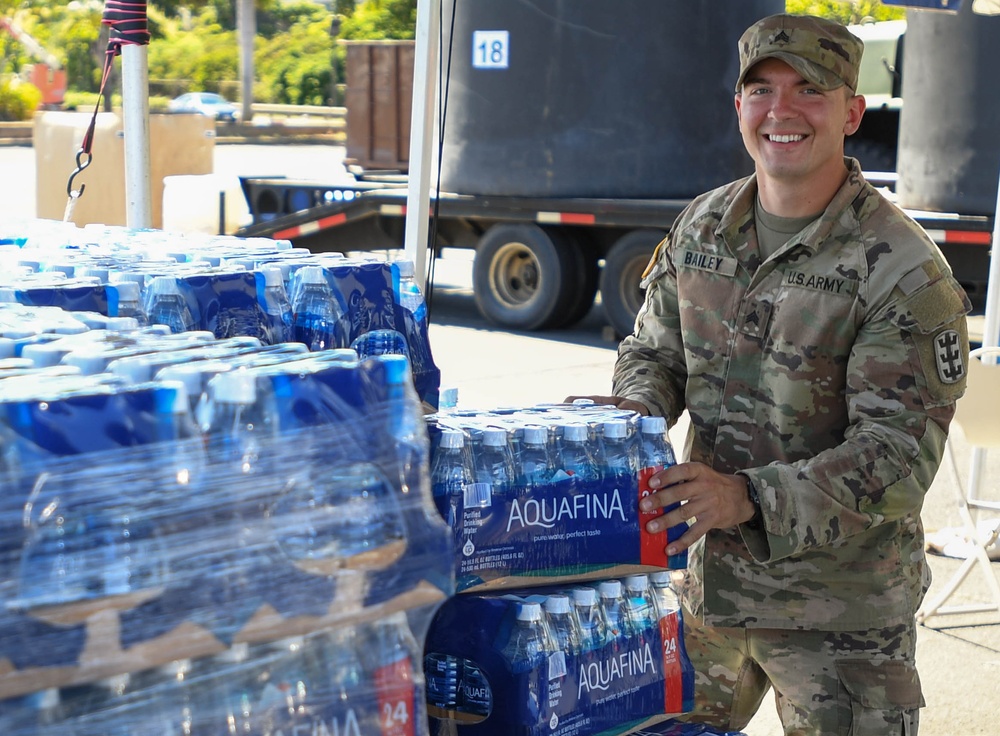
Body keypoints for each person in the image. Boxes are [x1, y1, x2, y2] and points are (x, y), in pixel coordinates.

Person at [571, 13, 971, 736]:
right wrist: (631, 415)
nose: (781, 112)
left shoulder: (903, 271)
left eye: (809, 90)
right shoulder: (703, 226)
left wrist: (747, 498)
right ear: (739, 107)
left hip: (839, 620)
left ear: (852, 111)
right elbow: (656, 353)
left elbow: (895, 459)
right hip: (709, 595)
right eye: (762, 90)